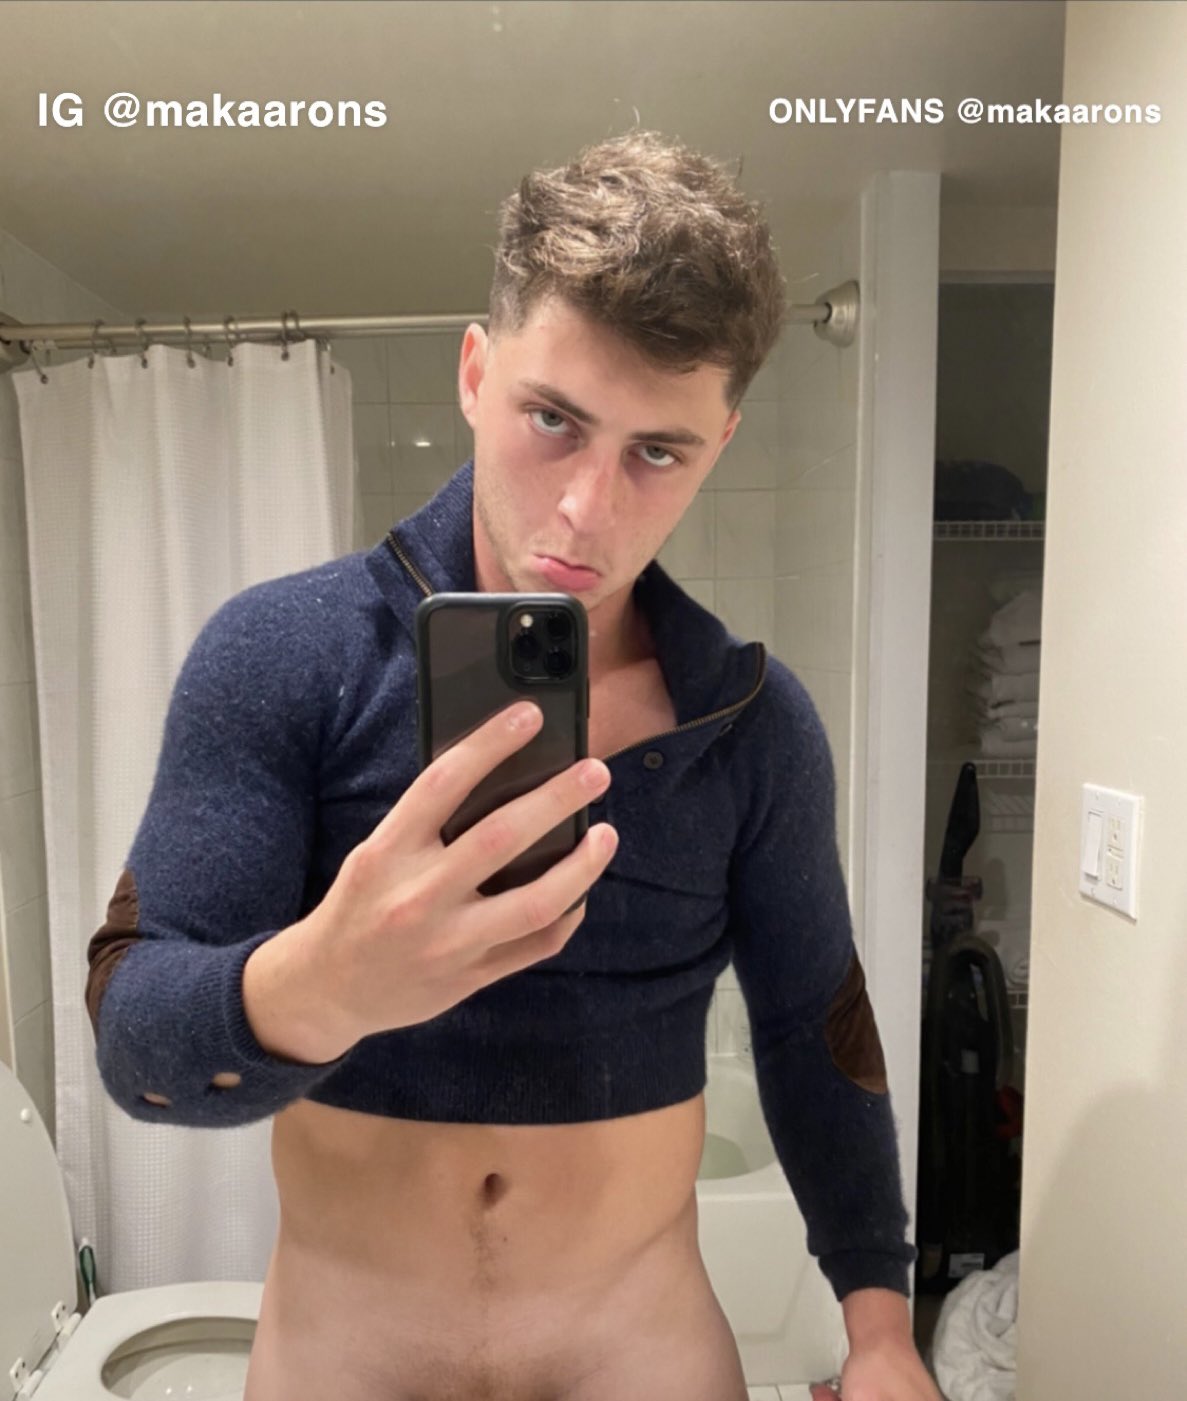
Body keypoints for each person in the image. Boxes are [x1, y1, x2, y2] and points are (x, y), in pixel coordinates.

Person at [86, 131, 940, 1401]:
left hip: (639, 1360)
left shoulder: (751, 727)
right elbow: (135, 1039)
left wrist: (878, 1332)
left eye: (657, 451)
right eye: (554, 420)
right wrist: (320, 986)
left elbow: (815, 1029)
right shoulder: (280, 656)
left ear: (720, 441)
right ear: (476, 373)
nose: (588, 510)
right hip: (345, 1362)